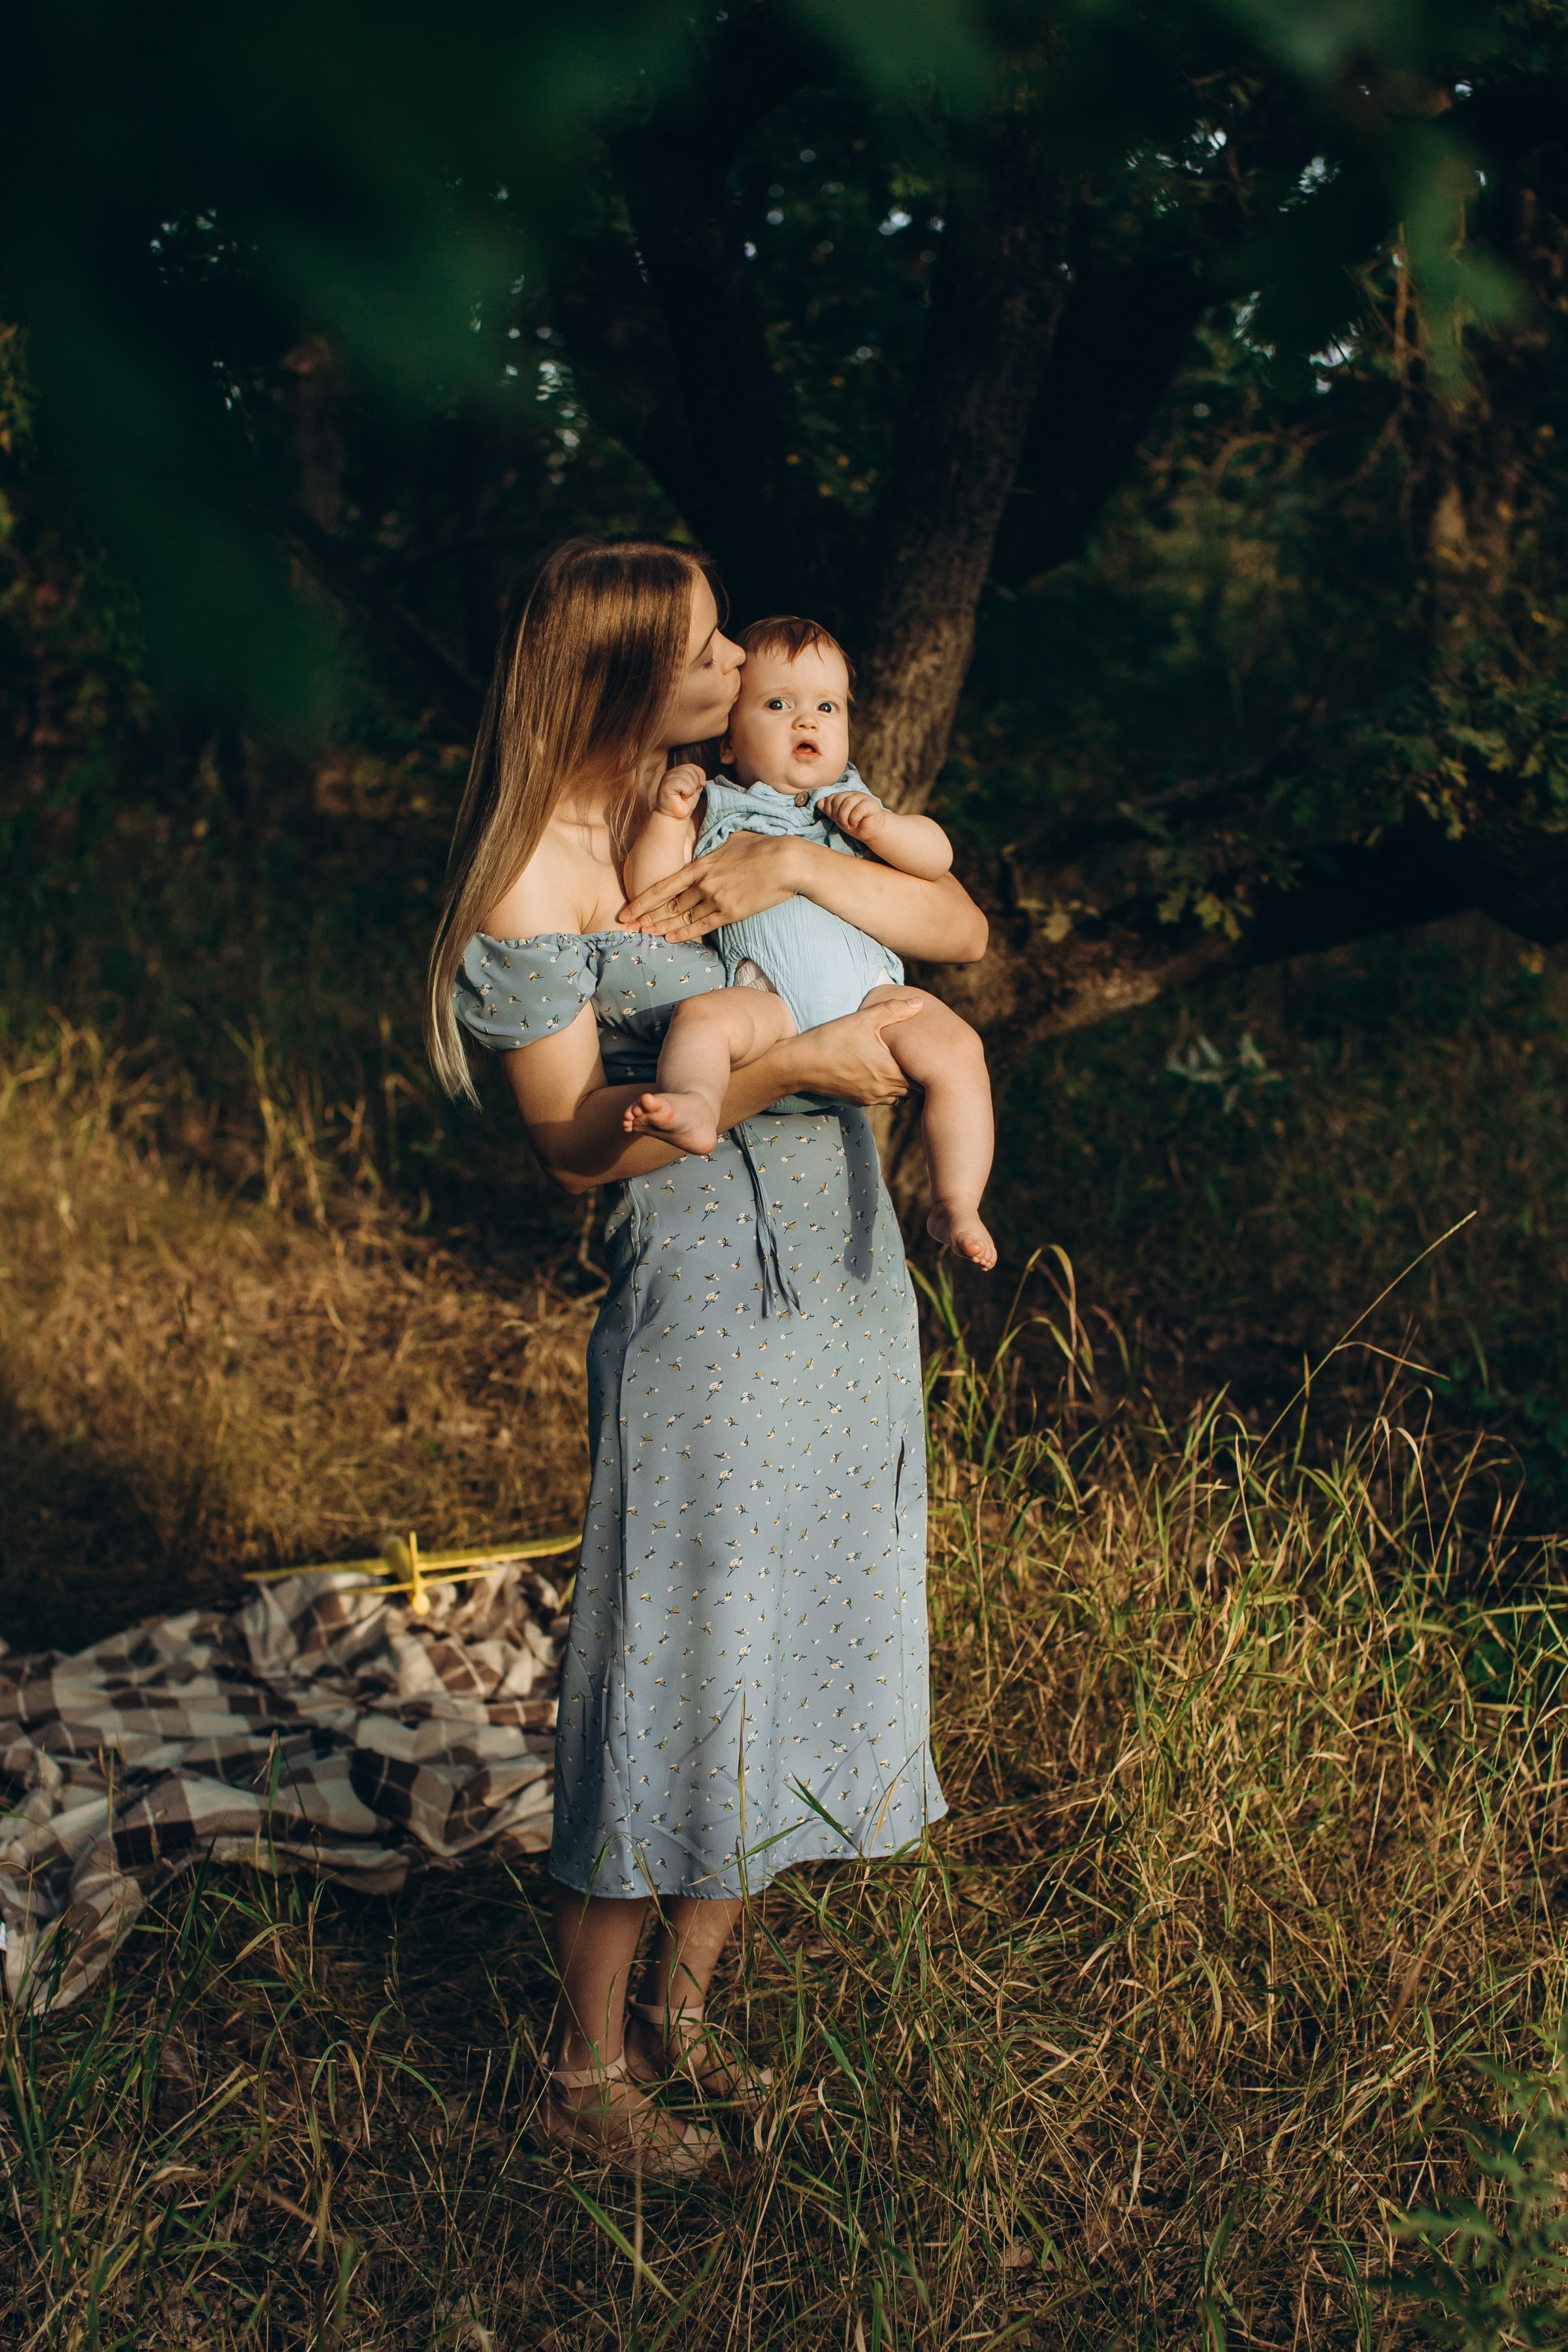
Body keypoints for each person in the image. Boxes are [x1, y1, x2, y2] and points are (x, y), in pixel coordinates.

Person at [425, 536, 988, 2176]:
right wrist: (790, 1062)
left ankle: (688, 2005)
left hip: (838, 1272)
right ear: (622, 671)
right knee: (675, 1661)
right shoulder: (536, 871)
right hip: (701, 1302)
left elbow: (949, 921)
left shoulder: (738, 793)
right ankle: (581, 2075)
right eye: (700, 639)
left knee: (792, 1634)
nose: (734, 650)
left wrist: (805, 876)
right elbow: (572, 1148)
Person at [620, 615, 996, 1271]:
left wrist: (885, 828)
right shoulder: (715, 804)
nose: (807, 722)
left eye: (827, 706)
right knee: (704, 1019)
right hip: (770, 1003)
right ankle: (697, 1104)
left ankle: (957, 1201)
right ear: (730, 743)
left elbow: (937, 859)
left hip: (873, 997)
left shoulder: (851, 802)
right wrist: (668, 815)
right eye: (778, 705)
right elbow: (652, 888)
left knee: (960, 1049)